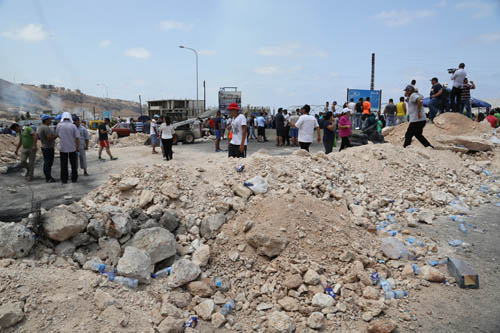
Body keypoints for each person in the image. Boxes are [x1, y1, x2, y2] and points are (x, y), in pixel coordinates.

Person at [56, 112, 79, 183]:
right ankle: (74, 179)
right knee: (73, 164)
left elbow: (57, 135)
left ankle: (64, 179)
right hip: (72, 148)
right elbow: (77, 138)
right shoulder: (73, 126)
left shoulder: (59, 125)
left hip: (63, 148)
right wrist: (77, 147)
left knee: (63, 165)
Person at [37, 114, 57, 182]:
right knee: (48, 163)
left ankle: (47, 176)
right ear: (46, 120)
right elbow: (49, 137)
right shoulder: (46, 128)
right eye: (49, 119)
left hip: (44, 146)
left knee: (46, 162)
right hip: (48, 147)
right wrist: (55, 136)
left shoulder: (40, 127)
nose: (50, 121)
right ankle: (48, 178)